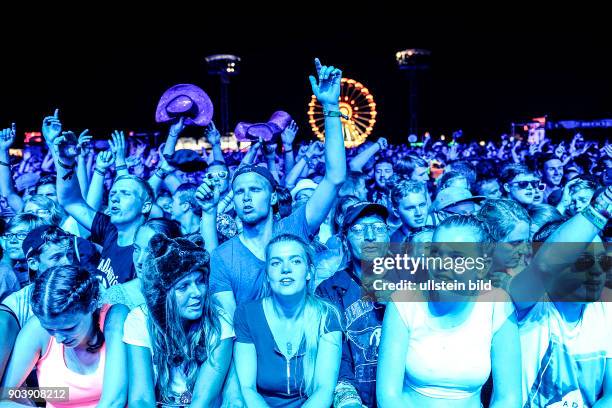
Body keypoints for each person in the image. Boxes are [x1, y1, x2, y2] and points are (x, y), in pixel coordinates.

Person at [210, 57, 347, 317]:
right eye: (239, 192)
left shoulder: (294, 229)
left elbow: (335, 177)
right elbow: (228, 326)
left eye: (255, 190)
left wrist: (330, 107)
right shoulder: (223, 256)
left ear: (273, 196)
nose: (246, 197)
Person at [377, 215, 521, 407]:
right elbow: (388, 396)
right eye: (436, 253)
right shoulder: (403, 301)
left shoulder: (497, 303)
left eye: (456, 257)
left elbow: (509, 398)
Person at [508, 186, 612, 406]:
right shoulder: (527, 303)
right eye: (583, 262)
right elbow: (545, 265)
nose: (597, 271)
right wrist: (603, 204)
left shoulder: (606, 309)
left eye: (603, 262)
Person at [123, 234, 233, 407]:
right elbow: (141, 399)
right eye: (183, 286)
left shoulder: (219, 322)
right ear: (162, 294)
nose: (197, 293)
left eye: (200, 281)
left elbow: (203, 400)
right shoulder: (140, 320)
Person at [234, 234, 342, 407]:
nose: (286, 269)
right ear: (268, 274)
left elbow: (324, 389)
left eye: (296, 261)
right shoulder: (247, 314)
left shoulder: (327, 315)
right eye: (276, 263)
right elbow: (247, 388)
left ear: (309, 272)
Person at [0, 265, 128, 407]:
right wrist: (40, 399)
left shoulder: (114, 317)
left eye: (69, 328)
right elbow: (6, 394)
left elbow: (114, 401)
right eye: (50, 329)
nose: (59, 339)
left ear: (91, 306)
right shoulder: (37, 329)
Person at [316, 202, 390, 407]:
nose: (370, 236)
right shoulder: (329, 289)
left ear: (388, 234)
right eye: (358, 230)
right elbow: (333, 352)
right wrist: (348, 397)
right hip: (354, 396)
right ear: (345, 239)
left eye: (378, 228)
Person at [102, 218, 182, 310]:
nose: (139, 261)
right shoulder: (116, 297)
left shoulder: (184, 292)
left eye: (150, 252)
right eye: (136, 249)